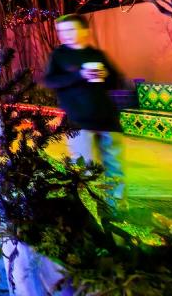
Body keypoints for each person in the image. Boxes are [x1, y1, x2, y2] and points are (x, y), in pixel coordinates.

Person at [44, 14, 126, 205]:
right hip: (78, 121)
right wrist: (79, 75)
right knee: (84, 170)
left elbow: (116, 81)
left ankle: (118, 208)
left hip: (107, 118)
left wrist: (106, 75)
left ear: (85, 31)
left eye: (71, 29)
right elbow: (50, 81)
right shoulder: (58, 56)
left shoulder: (97, 55)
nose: (66, 35)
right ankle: (91, 209)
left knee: (115, 167)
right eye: (61, 32)